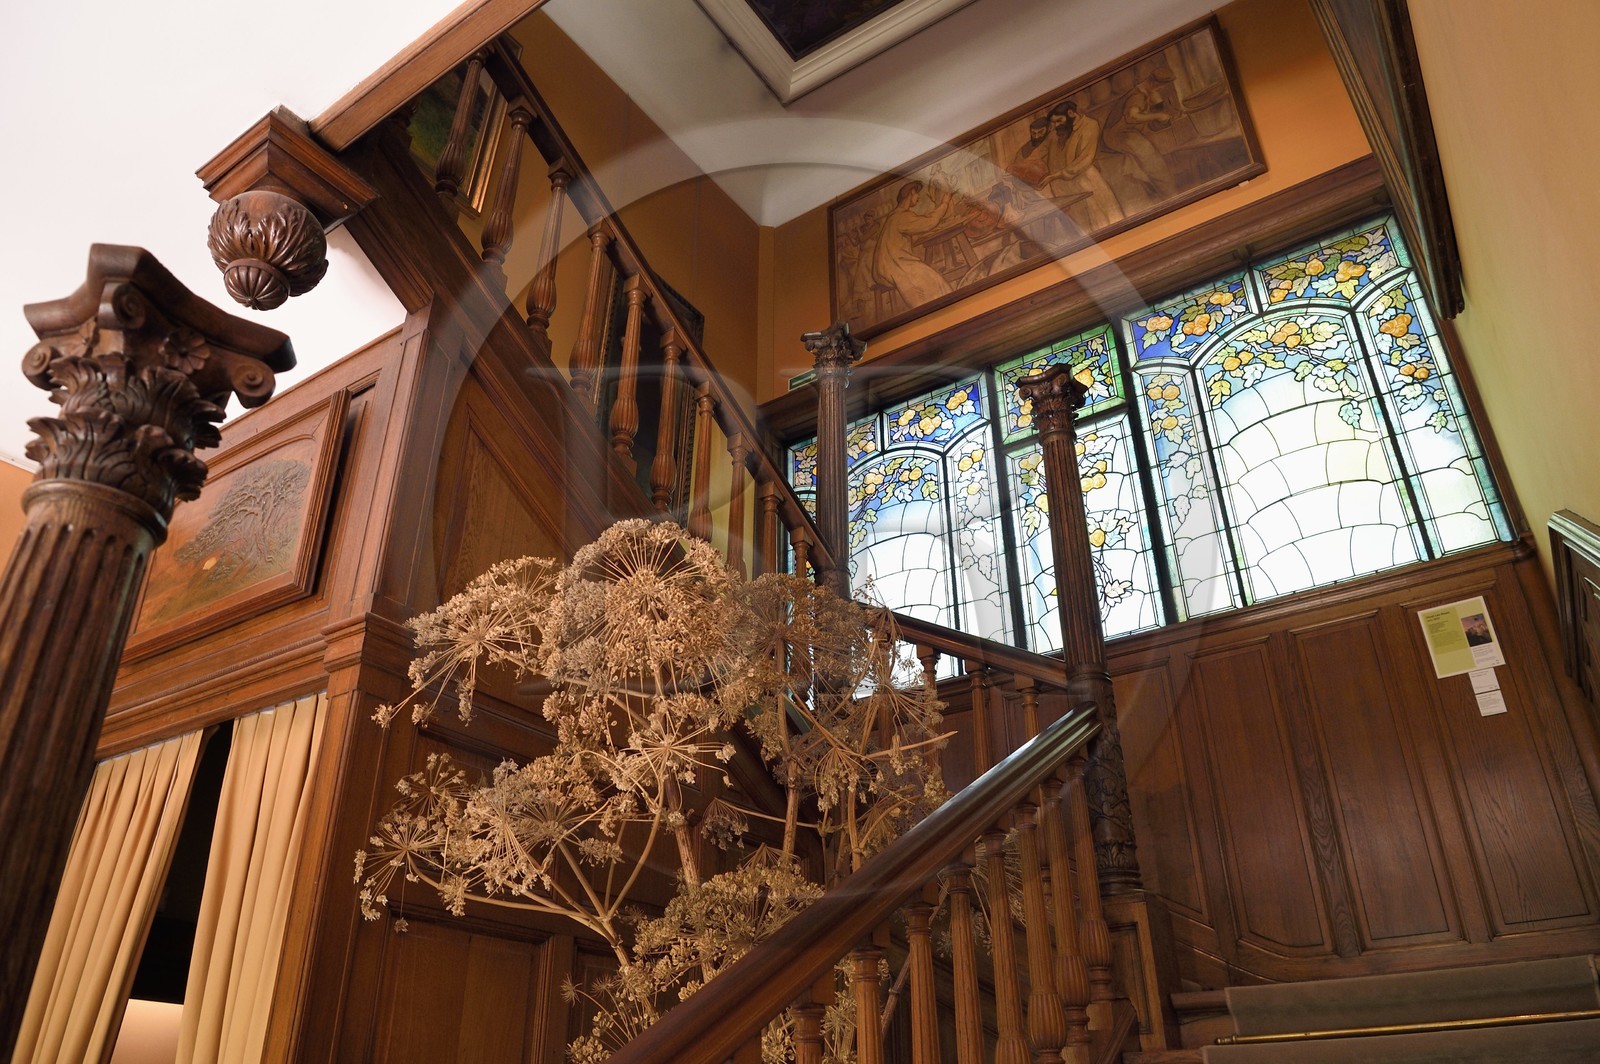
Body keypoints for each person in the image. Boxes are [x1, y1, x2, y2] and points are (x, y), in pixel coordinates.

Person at [871, 179, 956, 310]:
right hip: (893, 264)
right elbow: (929, 222)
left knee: (926, 275)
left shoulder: (894, 216)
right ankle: (943, 309)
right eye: (917, 194)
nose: (918, 197)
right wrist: (944, 203)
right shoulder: (901, 216)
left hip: (886, 265)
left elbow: (906, 235)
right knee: (932, 278)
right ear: (911, 193)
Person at [1042, 100, 1124, 232]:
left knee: (1102, 220)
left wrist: (1057, 175)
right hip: (1065, 188)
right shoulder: (1056, 134)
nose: (1056, 125)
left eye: (1059, 120)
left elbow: (1085, 158)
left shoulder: (1090, 125)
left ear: (1071, 113)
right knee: (1081, 228)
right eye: (1054, 122)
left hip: (1087, 182)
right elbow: (1042, 152)